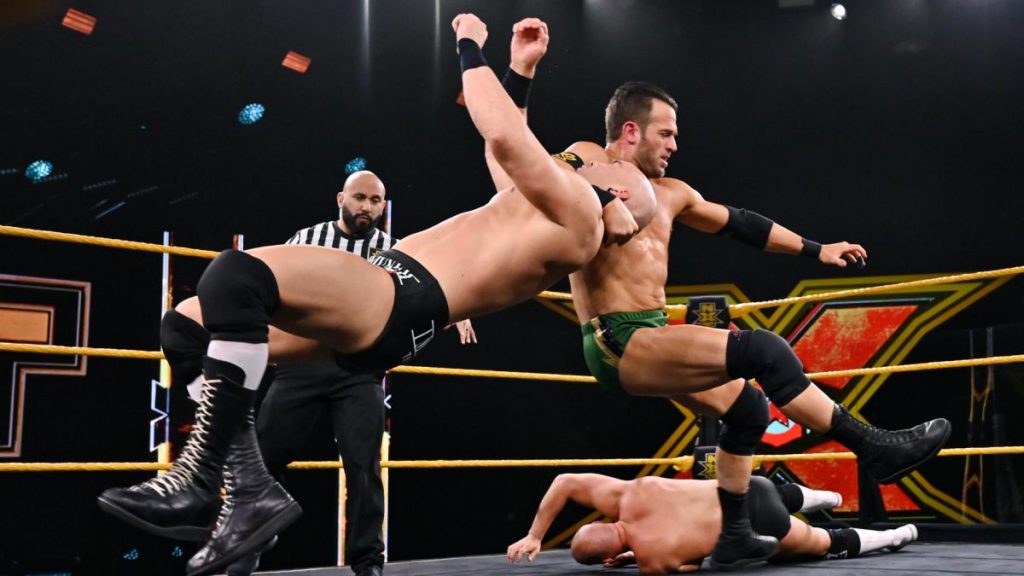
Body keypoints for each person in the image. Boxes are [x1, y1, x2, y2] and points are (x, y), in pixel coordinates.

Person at [97, 15, 657, 576]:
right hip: (387, 302)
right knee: (186, 325)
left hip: (399, 293)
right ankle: (246, 485)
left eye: (596, 166)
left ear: (616, 192)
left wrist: (468, 44)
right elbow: (507, 149)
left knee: (231, 274)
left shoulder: (579, 212)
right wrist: (521, 71)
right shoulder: (545, 208)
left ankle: (210, 480)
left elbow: (506, 138)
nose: (580, 157)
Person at [558, 82, 950, 569]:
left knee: (747, 408)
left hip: (650, 333)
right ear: (632, 131)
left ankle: (736, 537)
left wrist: (817, 249)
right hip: (615, 337)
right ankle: (873, 447)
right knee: (763, 349)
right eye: (667, 133)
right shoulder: (584, 163)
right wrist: (473, 298)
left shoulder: (672, 194)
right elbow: (527, 185)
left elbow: (742, 224)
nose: (675, 145)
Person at [507, 472, 918, 574]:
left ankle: (897, 536)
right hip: (752, 488)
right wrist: (534, 534)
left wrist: (634, 557)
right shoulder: (630, 493)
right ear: (603, 519)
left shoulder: (652, 560)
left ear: (609, 558)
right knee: (767, 490)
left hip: (760, 527)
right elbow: (564, 482)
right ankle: (822, 497)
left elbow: (689, 565)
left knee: (821, 544)